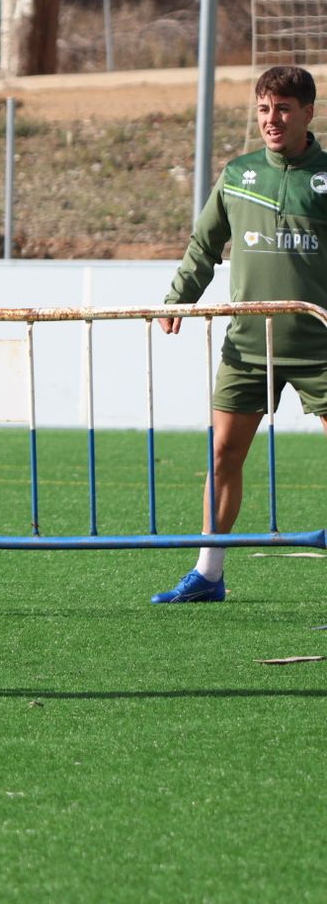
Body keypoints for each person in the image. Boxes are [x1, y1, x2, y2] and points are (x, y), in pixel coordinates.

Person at [153, 65, 327, 603]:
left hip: (320, 347)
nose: (271, 120)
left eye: (282, 109)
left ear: (307, 113)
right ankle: (209, 574)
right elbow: (204, 245)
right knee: (224, 454)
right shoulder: (238, 173)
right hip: (249, 346)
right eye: (263, 109)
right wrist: (179, 296)